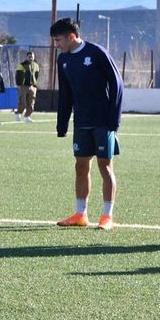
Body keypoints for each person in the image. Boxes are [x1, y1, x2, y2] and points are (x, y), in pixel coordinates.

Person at [51, 18, 123, 230]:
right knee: (81, 166)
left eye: (58, 40)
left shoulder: (96, 52)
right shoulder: (63, 59)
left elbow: (116, 83)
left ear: (71, 36)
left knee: (105, 166)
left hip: (103, 121)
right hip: (81, 121)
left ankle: (107, 216)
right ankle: (80, 213)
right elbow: (65, 93)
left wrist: (114, 119)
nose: (57, 45)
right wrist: (62, 123)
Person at [14, 51, 39, 122]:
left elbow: (36, 75)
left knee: (31, 103)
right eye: (29, 56)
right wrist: (20, 84)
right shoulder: (22, 65)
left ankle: (27, 116)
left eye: (32, 56)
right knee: (23, 102)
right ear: (26, 57)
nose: (31, 58)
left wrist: (34, 85)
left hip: (32, 87)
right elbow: (18, 75)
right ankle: (18, 114)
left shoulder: (36, 65)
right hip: (23, 86)